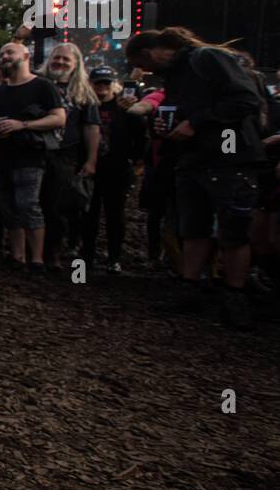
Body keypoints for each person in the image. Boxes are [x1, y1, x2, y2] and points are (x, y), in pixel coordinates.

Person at [127, 27, 265, 329]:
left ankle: (234, 295)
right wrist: (170, 125)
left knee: (233, 230)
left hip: (230, 157)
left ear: (150, 52)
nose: (147, 72)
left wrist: (196, 122)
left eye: (145, 65)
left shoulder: (208, 58)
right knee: (193, 229)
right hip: (193, 158)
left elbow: (245, 99)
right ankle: (190, 288)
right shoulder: (176, 74)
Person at [0, 41, 66, 273]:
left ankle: (36, 259)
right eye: (3, 52)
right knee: (8, 208)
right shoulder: (0, 90)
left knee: (28, 205)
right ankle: (17, 256)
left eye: (10, 52)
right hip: (1, 157)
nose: (5, 56)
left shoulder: (42, 86)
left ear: (26, 56)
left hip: (30, 156)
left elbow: (59, 118)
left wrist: (23, 124)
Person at [40, 43, 100, 270]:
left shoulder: (84, 92)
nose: (60, 63)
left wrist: (91, 159)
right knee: (34, 203)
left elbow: (92, 128)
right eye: (57, 58)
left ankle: (53, 253)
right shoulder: (39, 84)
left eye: (66, 60)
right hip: (36, 150)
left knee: (58, 206)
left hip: (65, 155)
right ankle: (31, 252)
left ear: (76, 64)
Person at [81, 66, 146, 272]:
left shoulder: (124, 106)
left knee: (115, 214)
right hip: (90, 165)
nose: (101, 86)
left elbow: (141, 133)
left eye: (105, 83)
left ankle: (114, 257)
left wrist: (137, 160)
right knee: (88, 213)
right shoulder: (85, 105)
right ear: (90, 83)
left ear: (112, 84)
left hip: (117, 165)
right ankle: (87, 255)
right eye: (97, 82)